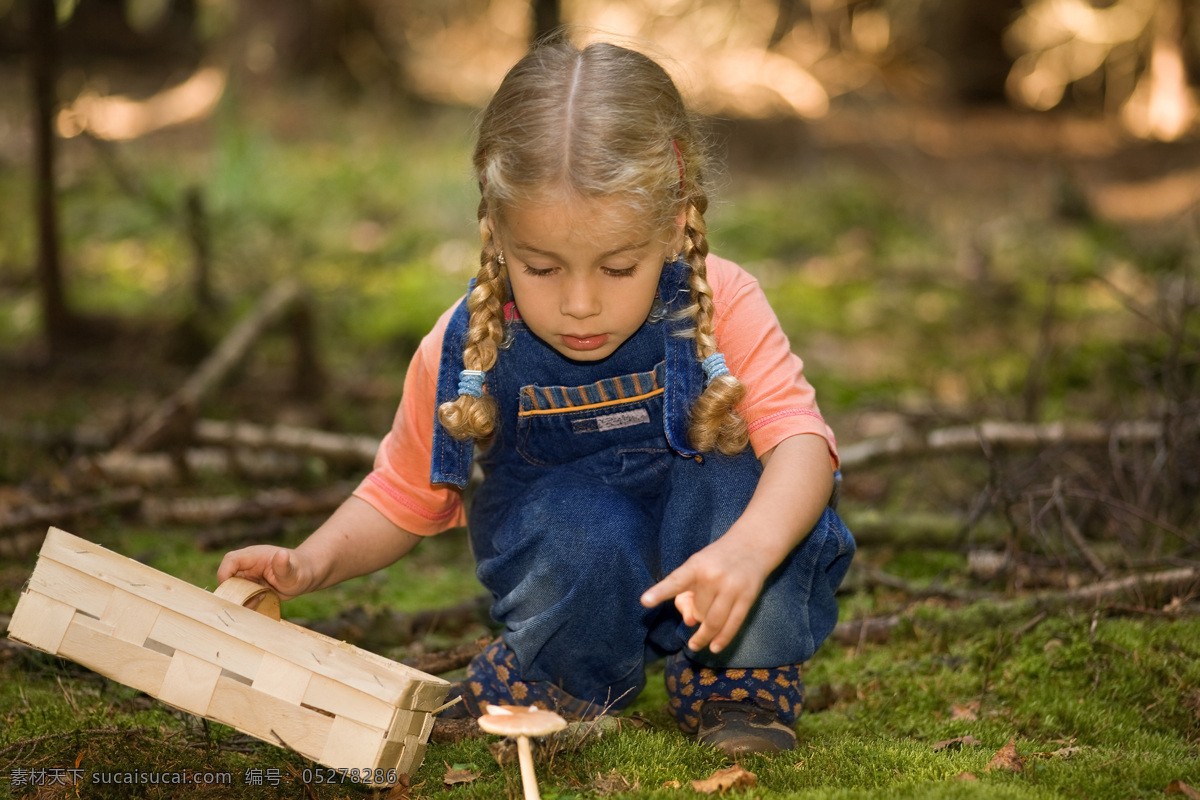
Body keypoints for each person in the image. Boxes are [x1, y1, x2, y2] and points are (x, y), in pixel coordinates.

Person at [218, 36, 855, 757]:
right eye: (542, 267)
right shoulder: (467, 349)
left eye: (618, 268)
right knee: (576, 522)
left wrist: (748, 549)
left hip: (722, 566)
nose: (580, 305)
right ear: (497, 233)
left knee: (750, 481)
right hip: (579, 564)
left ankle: (739, 684)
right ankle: (563, 678)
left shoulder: (721, 305)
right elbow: (402, 492)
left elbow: (805, 444)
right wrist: (311, 563)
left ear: (674, 226)